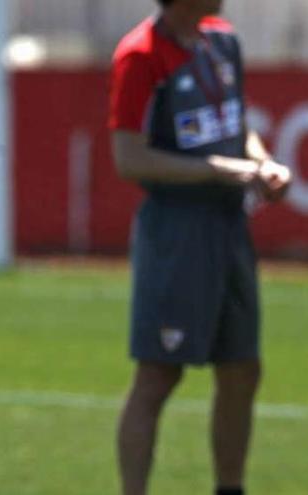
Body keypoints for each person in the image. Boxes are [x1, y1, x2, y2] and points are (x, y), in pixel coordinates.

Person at [108, 1, 291, 494]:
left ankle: (229, 487)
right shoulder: (140, 55)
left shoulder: (223, 41)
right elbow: (129, 157)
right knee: (159, 374)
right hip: (176, 230)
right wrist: (222, 169)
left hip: (229, 224)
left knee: (242, 367)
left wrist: (261, 162)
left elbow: (236, 125)